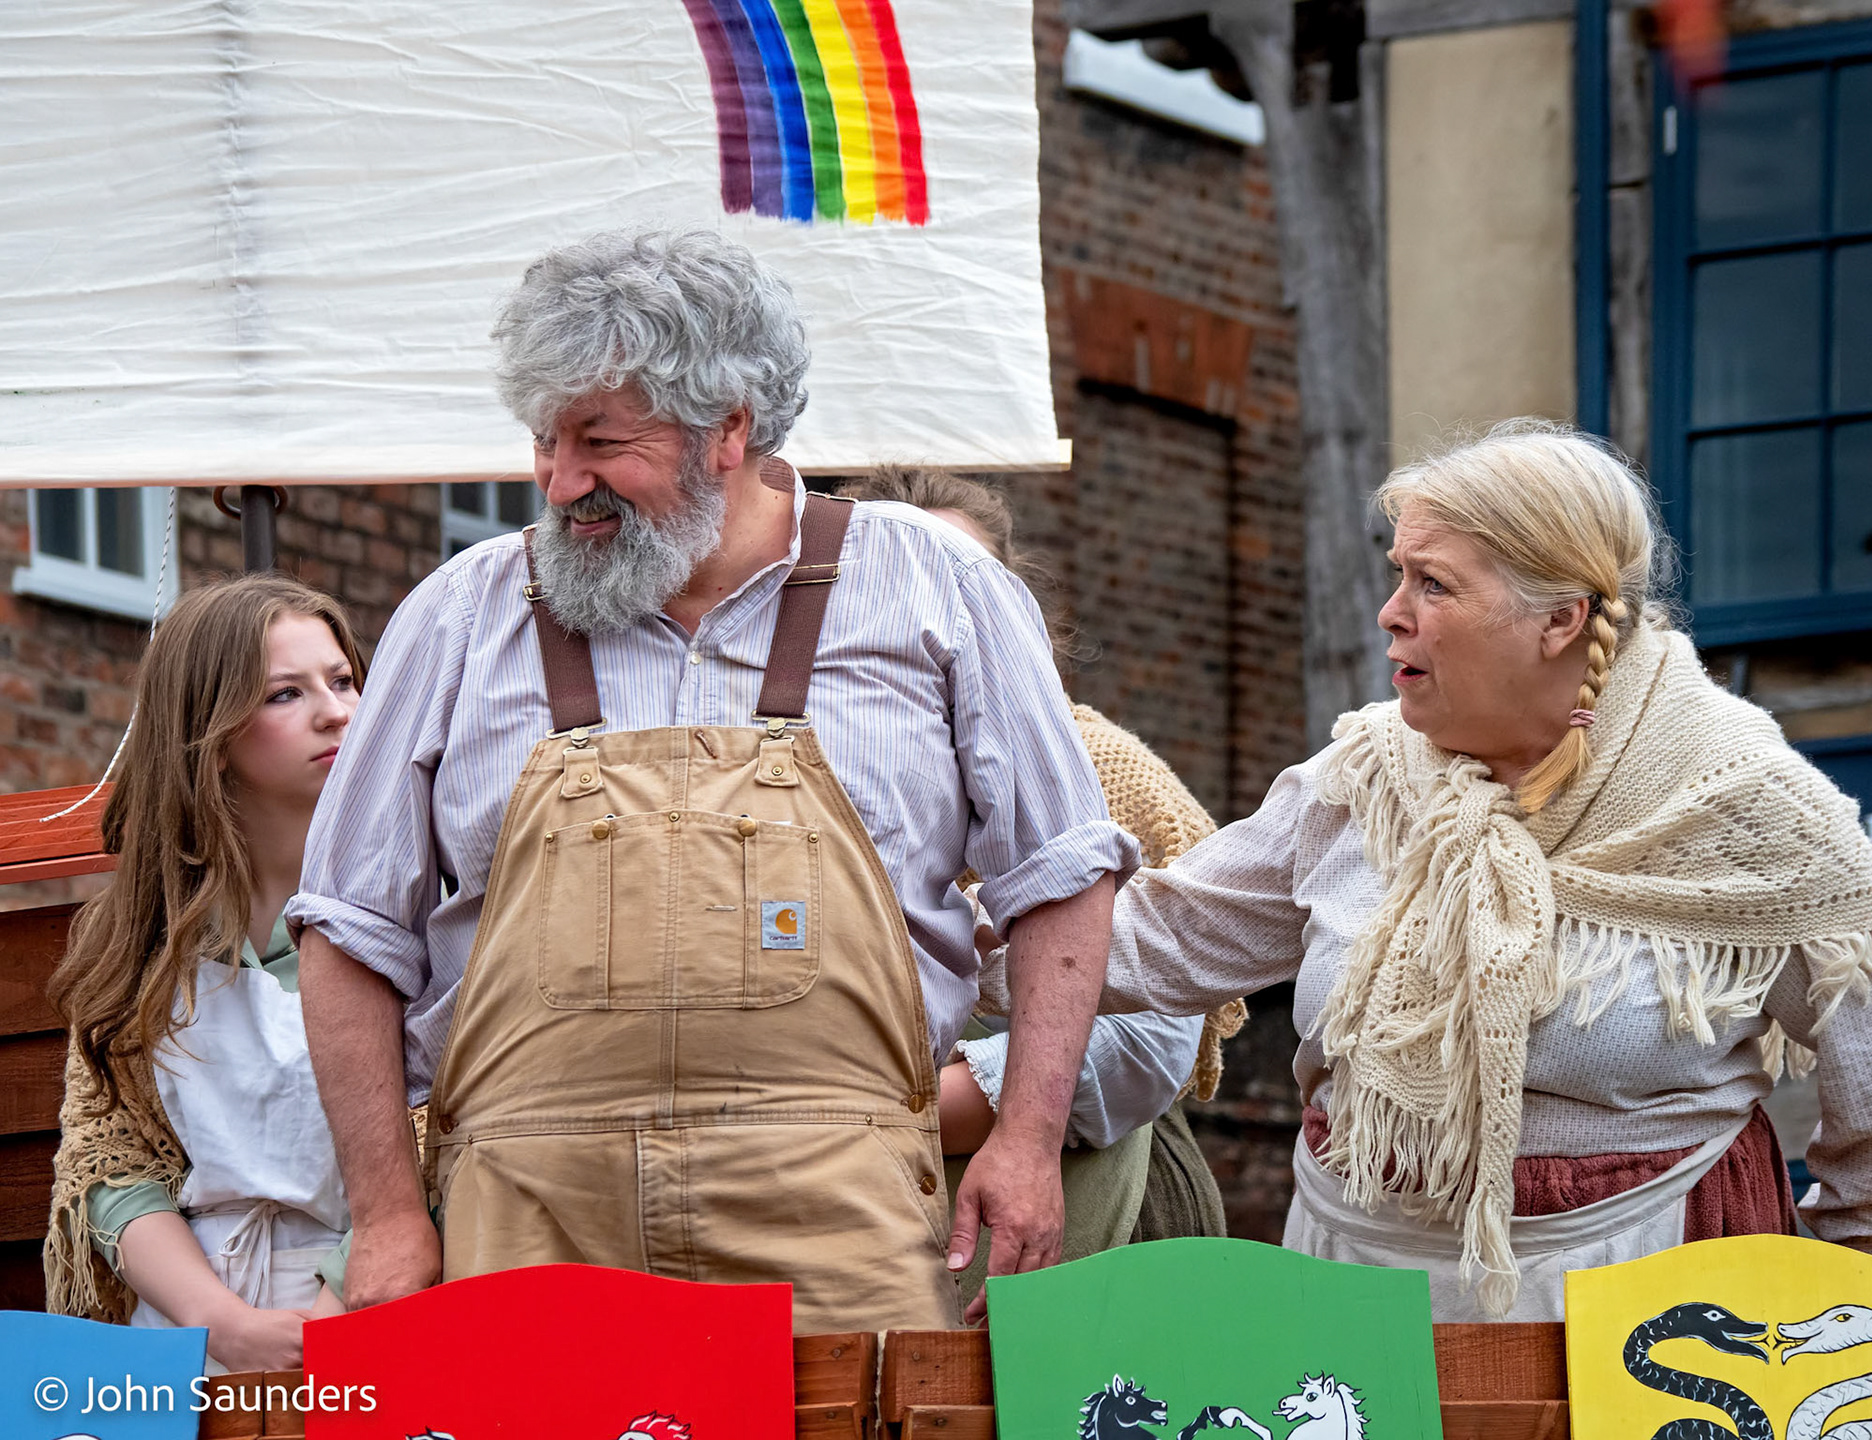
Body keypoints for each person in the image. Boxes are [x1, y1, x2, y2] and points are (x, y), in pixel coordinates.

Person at [289, 228, 1139, 1332]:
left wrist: (1026, 1140)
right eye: (546, 440)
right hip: (529, 1218)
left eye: (600, 440)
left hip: (839, 1216)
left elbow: (1062, 876)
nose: (560, 481)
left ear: (728, 427)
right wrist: (390, 1212)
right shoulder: (459, 615)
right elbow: (347, 931)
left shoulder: (934, 584)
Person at [999, 422, 1872, 1320]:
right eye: (1399, 574)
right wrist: (909, 948)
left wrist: (1834, 1297)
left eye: (1433, 584)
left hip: (1646, 1288)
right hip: (1360, 1281)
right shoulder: (1359, 782)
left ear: (1560, 619)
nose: (1391, 611)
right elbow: (1150, 944)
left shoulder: (1744, 808)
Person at [837, 465, 1246, 1287]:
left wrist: (934, 1108)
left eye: (958, 577)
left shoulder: (1105, 771)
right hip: (847, 1216)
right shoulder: (802, 765)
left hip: (1091, 1207)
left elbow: (1150, 1022)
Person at [45, 575, 364, 1370]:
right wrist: (219, 1324)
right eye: (286, 693)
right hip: (182, 1335)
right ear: (208, 735)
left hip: (367, 1314)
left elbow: (442, 1144)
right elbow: (108, 1161)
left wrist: (322, 1324)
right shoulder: (133, 943)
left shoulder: (416, 917)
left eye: (345, 679)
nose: (336, 710)